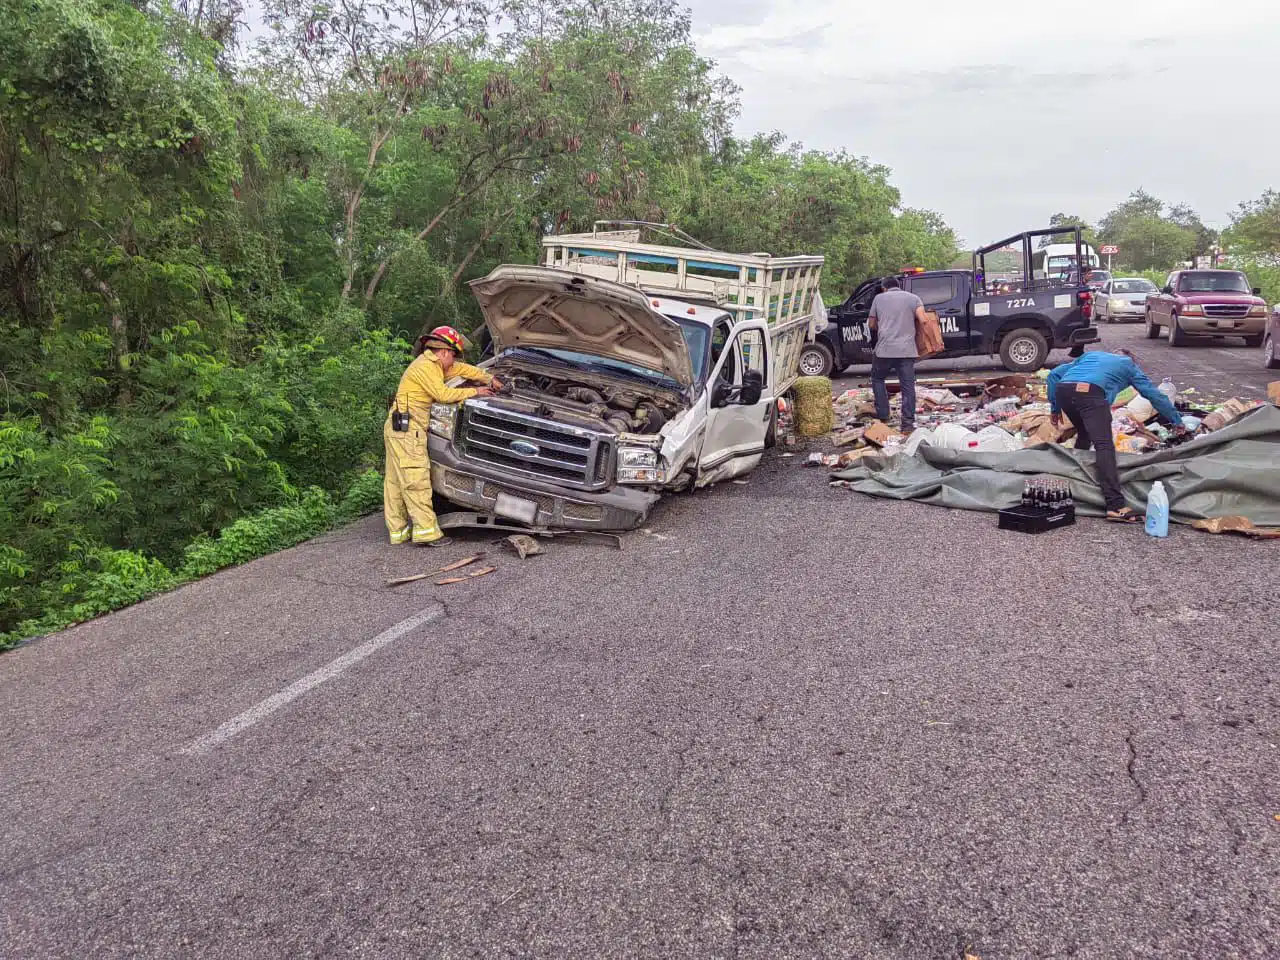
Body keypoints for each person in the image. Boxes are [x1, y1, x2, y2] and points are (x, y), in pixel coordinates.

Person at [384, 325, 501, 547]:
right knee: (415, 479)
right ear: (445, 352)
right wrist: (475, 391)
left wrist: (488, 378)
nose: (454, 360)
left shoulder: (433, 364)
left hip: (398, 428)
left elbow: (462, 370)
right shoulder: (426, 368)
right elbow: (443, 394)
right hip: (408, 431)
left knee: (396, 481)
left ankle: (398, 531)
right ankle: (426, 532)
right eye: (453, 355)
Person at [1046, 349, 1183, 523]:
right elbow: (1153, 394)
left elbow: (1053, 376)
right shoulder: (1128, 365)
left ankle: (1077, 483)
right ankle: (1115, 505)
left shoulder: (1091, 356)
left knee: (1084, 434)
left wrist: (1055, 409)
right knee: (1104, 446)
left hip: (1064, 391)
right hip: (1090, 394)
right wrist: (1176, 420)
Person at [867, 276, 927, 433]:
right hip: (906, 350)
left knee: (877, 378)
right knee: (907, 385)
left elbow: (871, 324)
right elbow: (924, 320)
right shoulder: (914, 298)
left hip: (884, 350)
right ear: (899, 286)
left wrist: (883, 325)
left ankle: (883, 415)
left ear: (884, 288)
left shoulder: (878, 299)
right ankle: (907, 423)